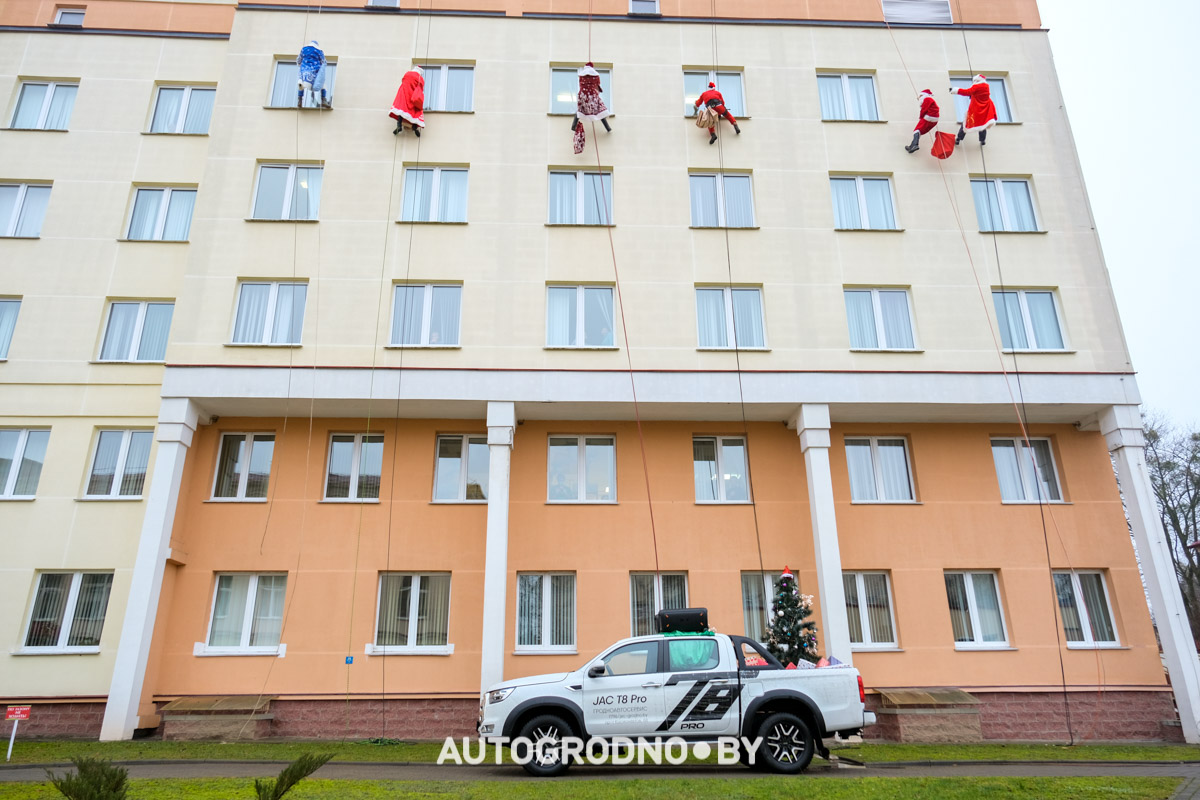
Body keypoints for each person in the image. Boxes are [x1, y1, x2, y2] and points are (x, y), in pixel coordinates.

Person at [571, 62, 611, 155]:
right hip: (593, 96)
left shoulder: (581, 76)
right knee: (599, 110)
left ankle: (573, 126)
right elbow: (598, 85)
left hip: (583, 95)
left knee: (580, 110)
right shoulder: (596, 76)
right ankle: (608, 127)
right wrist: (598, 90)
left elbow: (581, 85)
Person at [952, 74, 997, 146]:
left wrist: (955, 90)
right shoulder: (985, 89)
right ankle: (982, 140)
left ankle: (958, 138)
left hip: (975, 110)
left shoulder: (977, 86)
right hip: (984, 111)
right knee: (983, 124)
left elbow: (967, 92)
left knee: (966, 123)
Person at [390, 66, 426, 137]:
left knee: (401, 109)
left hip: (404, 94)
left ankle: (399, 126)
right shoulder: (420, 78)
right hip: (413, 97)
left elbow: (403, 81)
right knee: (416, 111)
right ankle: (415, 128)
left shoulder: (407, 74)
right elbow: (421, 89)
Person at [297, 41, 331, 109]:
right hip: (315, 72)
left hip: (304, 71)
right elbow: (323, 62)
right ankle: (323, 100)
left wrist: (299, 64)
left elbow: (299, 60)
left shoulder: (304, 49)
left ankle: (299, 100)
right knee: (322, 84)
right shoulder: (319, 51)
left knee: (301, 83)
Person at [905, 89, 939, 153]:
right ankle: (912, 146)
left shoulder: (927, 99)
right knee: (919, 131)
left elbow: (924, 109)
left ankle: (914, 145)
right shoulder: (929, 99)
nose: (918, 97)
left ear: (922, 95)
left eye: (919, 96)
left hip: (929, 117)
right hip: (934, 119)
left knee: (916, 130)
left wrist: (921, 117)